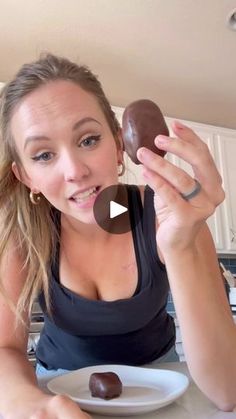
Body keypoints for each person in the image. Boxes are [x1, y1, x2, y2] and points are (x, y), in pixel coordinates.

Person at [0, 53, 235, 418]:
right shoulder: (23, 236)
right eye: (44, 155)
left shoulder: (167, 215)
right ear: (25, 175)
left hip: (161, 388)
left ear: (117, 143)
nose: (75, 171)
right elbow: (4, 349)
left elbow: (227, 392)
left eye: (89, 140)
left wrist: (183, 245)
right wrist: (34, 406)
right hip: (56, 393)